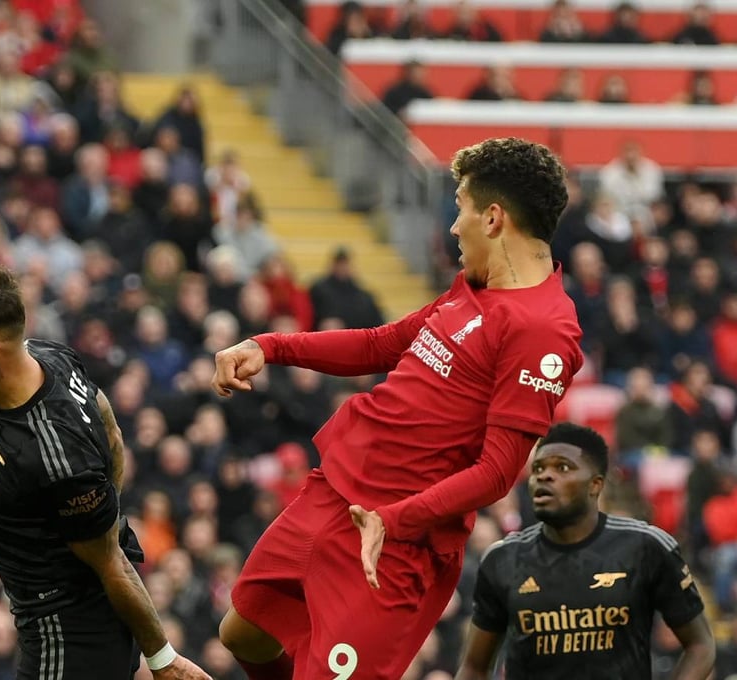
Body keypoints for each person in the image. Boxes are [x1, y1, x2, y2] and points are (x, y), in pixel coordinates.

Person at [211, 137, 585, 680]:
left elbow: (497, 473)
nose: (453, 227)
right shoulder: (474, 287)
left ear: (493, 219)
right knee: (243, 632)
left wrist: (393, 520)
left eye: (461, 209)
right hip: (334, 491)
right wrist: (269, 347)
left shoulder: (543, 330)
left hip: (394, 542)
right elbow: (380, 344)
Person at [0, 262, 211, 680]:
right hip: (62, 622)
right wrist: (99, 509)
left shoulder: (54, 455)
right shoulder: (47, 356)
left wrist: (163, 661)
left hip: (67, 638)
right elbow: (108, 423)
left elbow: (111, 561)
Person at [456, 422, 715, 679]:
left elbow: (701, 645)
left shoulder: (646, 547)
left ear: (595, 485)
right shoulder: (503, 559)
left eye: (562, 467)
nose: (544, 476)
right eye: (538, 468)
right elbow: (473, 667)